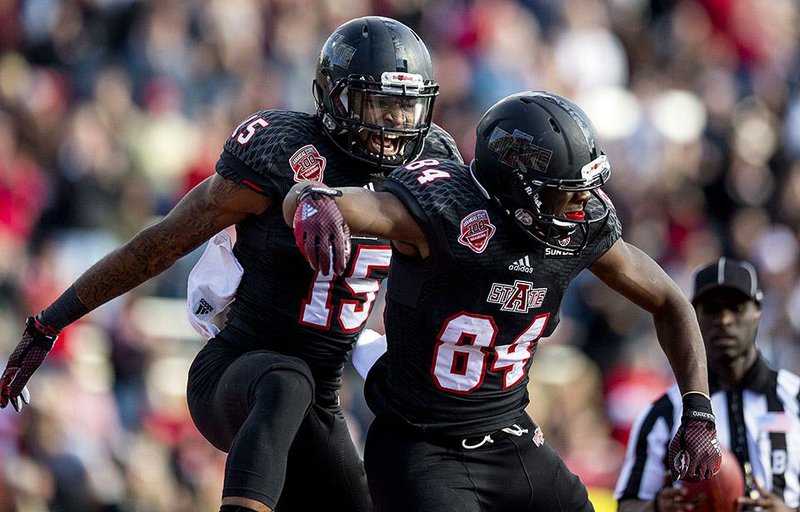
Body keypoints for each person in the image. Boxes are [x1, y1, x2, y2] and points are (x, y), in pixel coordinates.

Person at [0, 16, 462, 512]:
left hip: (322, 395)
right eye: (378, 104)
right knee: (287, 380)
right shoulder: (284, 148)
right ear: (332, 97)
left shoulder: (432, 162)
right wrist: (52, 321)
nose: (391, 125)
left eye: (404, 108)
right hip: (236, 371)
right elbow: (161, 243)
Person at [283, 91, 721, 512]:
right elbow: (328, 199)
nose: (581, 205)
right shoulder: (447, 214)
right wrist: (308, 200)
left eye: (583, 189)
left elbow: (670, 302)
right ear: (516, 186)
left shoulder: (579, 225)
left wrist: (698, 407)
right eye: (563, 191)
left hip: (510, 435)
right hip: (422, 448)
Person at [615, 257, 800, 512]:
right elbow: (627, 505)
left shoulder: (795, 397)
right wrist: (657, 507)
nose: (724, 320)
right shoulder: (664, 412)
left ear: (757, 310)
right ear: (692, 316)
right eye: (711, 309)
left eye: (735, 307)